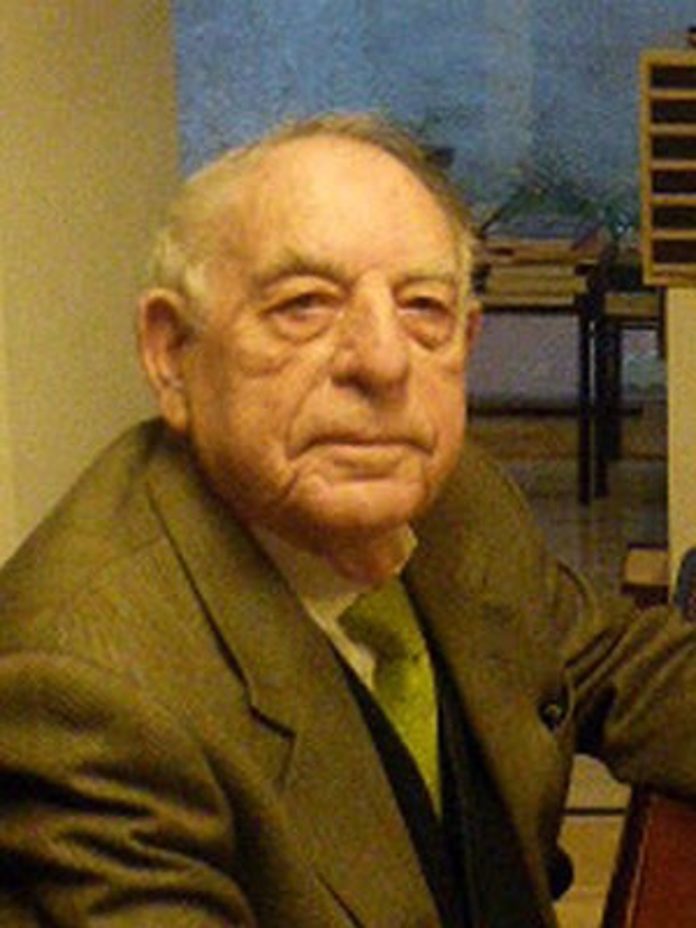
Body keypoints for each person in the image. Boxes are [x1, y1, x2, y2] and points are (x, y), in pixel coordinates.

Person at [0, 113, 693, 928]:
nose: (384, 360)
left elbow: (615, 662)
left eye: (423, 307)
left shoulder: (449, 493)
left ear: (465, 343)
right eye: (305, 305)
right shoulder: (80, 692)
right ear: (172, 352)